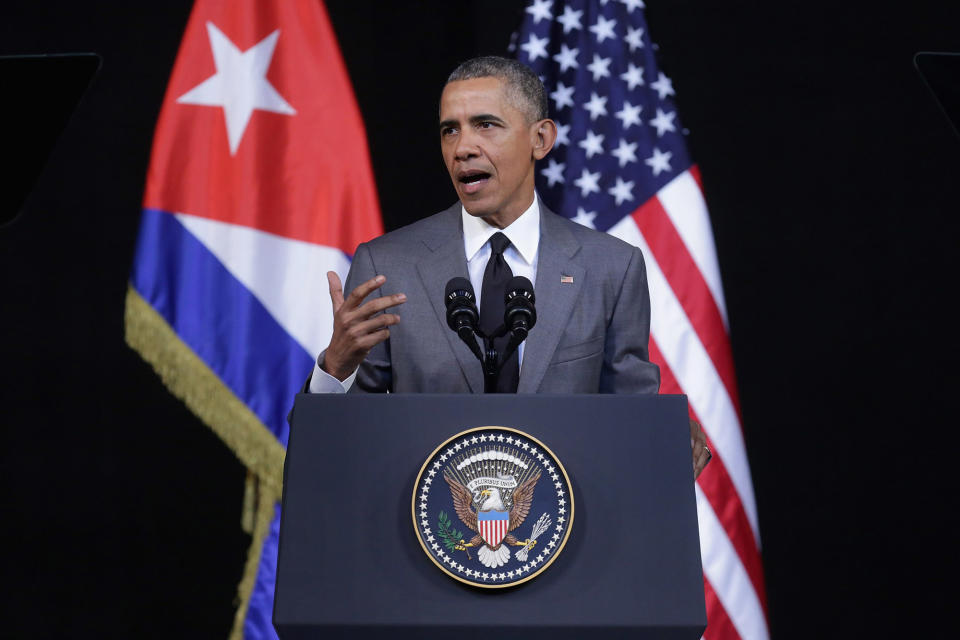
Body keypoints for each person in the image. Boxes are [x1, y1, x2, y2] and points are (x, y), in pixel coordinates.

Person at [304, 56, 710, 477]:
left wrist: (667, 433)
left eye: (486, 125)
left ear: (541, 138)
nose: (463, 148)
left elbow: (631, 422)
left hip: (569, 534)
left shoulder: (611, 267)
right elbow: (333, 454)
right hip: (425, 527)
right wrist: (335, 368)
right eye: (450, 130)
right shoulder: (387, 264)